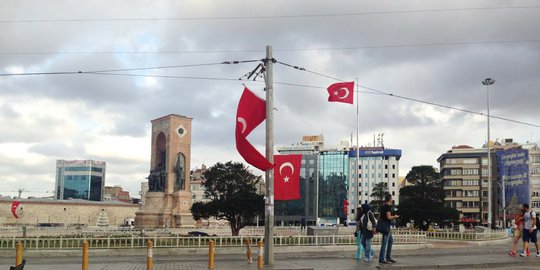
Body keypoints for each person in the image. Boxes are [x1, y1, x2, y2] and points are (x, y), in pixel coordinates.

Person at [379, 193, 399, 264]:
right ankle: (382, 258)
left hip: (385, 225)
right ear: (390, 199)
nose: (392, 199)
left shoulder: (383, 206)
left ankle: (388, 257)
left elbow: (380, 216)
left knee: (390, 241)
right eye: (391, 198)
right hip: (386, 226)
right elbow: (388, 217)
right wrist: (395, 217)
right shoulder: (388, 207)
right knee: (385, 242)